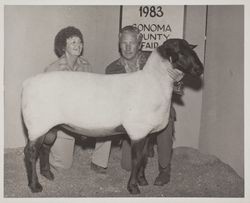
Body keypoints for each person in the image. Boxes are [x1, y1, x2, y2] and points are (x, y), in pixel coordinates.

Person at [92, 25, 184, 186]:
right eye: (123, 43)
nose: (127, 47)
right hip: (132, 117)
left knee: (167, 117)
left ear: (140, 44)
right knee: (127, 166)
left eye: (132, 43)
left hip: (156, 111)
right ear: (119, 44)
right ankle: (146, 145)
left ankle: (164, 168)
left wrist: (177, 82)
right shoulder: (112, 69)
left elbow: (176, 89)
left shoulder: (155, 60)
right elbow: (114, 103)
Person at [45, 26, 92, 169]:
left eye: (80, 42)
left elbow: (91, 94)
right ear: (63, 46)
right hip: (62, 121)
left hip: (82, 114)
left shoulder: (86, 66)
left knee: (108, 125)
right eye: (73, 42)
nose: (78, 45)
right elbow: (48, 102)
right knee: (63, 165)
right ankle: (51, 147)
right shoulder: (53, 69)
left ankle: (98, 162)